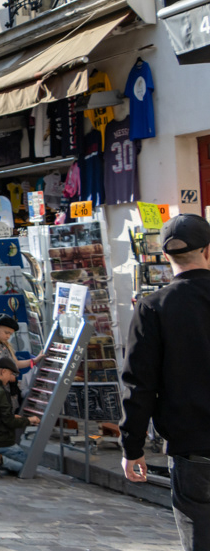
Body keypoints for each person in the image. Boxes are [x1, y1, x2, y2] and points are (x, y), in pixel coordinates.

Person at [122, 214, 210, 549]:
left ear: (166, 256)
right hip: (192, 448)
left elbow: (139, 383)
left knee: (200, 535)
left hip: (192, 448)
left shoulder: (153, 307)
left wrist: (132, 448)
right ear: (208, 250)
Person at [0, 314, 43, 383]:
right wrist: (6, 376)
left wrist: (34, 361)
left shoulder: (5, 346)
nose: (8, 336)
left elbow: (16, 364)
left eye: (10, 334)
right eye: (6, 333)